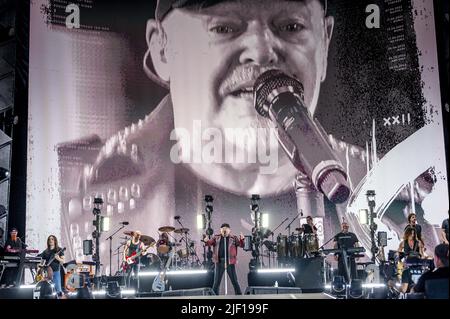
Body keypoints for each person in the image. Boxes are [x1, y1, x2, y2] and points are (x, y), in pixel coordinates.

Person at [56, 0, 438, 290]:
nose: (261, 50)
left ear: (324, 43)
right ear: (161, 49)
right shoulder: (91, 187)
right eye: (224, 28)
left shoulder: (395, 197)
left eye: (290, 26)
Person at [203, 223, 245, 295]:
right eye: (223, 230)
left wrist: (242, 239)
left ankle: (239, 296)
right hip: (219, 262)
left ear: (229, 230)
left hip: (230, 262)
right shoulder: (216, 237)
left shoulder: (234, 238)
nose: (224, 231)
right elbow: (209, 243)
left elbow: (241, 245)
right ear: (220, 230)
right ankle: (214, 297)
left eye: (226, 229)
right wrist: (206, 241)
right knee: (216, 282)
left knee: (234, 281)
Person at [397, 227, 424, 293]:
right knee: (405, 276)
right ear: (407, 234)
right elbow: (398, 253)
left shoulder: (418, 242)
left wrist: (421, 260)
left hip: (416, 263)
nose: (412, 235)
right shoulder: (403, 243)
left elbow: (421, 254)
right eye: (411, 233)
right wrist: (400, 262)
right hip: (407, 263)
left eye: (413, 233)